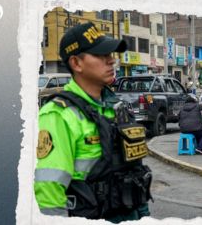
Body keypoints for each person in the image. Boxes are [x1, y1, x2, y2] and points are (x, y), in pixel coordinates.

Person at [34, 22, 152, 223]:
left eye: (111, 55)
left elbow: (133, 171)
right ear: (76, 63)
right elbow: (49, 188)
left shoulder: (116, 108)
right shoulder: (59, 115)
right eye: (101, 55)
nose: (111, 61)